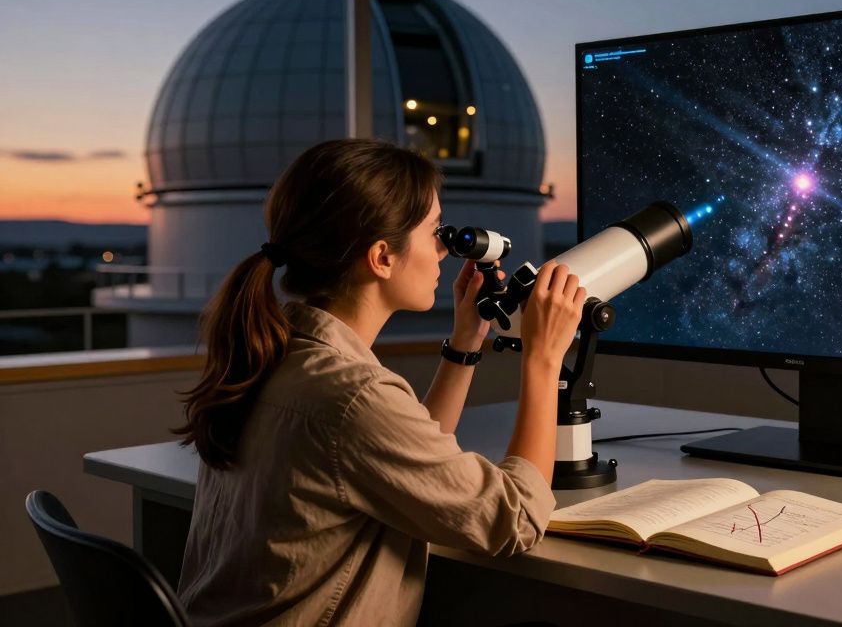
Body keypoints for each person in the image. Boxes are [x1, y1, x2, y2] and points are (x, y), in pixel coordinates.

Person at [173, 139, 584, 625]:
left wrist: (465, 343)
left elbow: (399, 458)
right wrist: (543, 359)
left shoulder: (276, 356)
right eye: (434, 232)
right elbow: (515, 520)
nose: (442, 251)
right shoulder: (352, 396)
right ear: (382, 257)